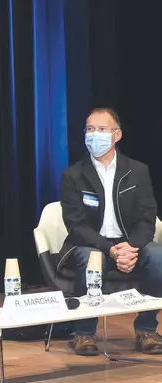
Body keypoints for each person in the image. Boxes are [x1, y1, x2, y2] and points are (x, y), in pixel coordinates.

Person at [59, 108, 162, 356]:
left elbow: (147, 219)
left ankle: (146, 329)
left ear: (117, 135)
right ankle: (84, 333)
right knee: (89, 258)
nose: (95, 135)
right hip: (93, 243)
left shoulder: (137, 170)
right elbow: (76, 225)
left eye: (102, 130)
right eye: (90, 129)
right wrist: (111, 250)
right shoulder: (73, 175)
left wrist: (130, 247)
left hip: (130, 242)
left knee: (158, 257)